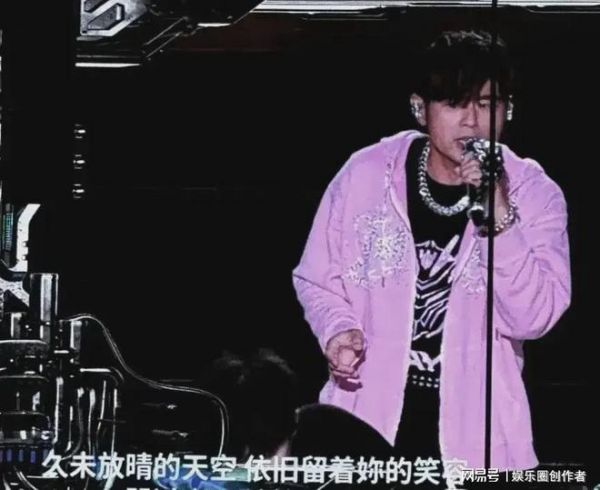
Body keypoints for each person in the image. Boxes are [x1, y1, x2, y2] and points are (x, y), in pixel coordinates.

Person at [291, 29, 571, 485]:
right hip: (365, 427)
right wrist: (338, 328)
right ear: (420, 108)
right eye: (455, 103)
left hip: (479, 444)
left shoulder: (534, 193)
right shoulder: (366, 174)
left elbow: (534, 318)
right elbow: (317, 278)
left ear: (508, 110)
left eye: (487, 104)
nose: (473, 122)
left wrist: (501, 217)